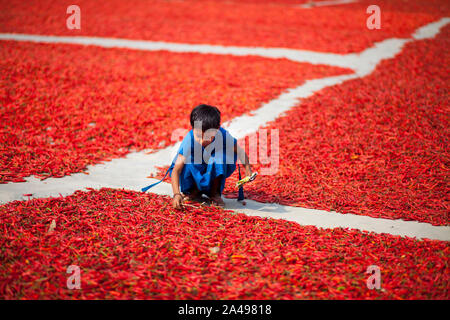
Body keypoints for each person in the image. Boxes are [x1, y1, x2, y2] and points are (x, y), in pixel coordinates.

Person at [170, 104, 252, 209]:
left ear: (217, 130)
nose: (202, 141)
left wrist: (248, 168)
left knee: (220, 158)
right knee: (188, 161)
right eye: (199, 135)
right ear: (193, 128)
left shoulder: (222, 134)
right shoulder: (189, 140)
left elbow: (239, 151)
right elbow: (176, 170)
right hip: (195, 171)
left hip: (211, 170)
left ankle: (214, 193)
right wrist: (176, 194)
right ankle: (194, 191)